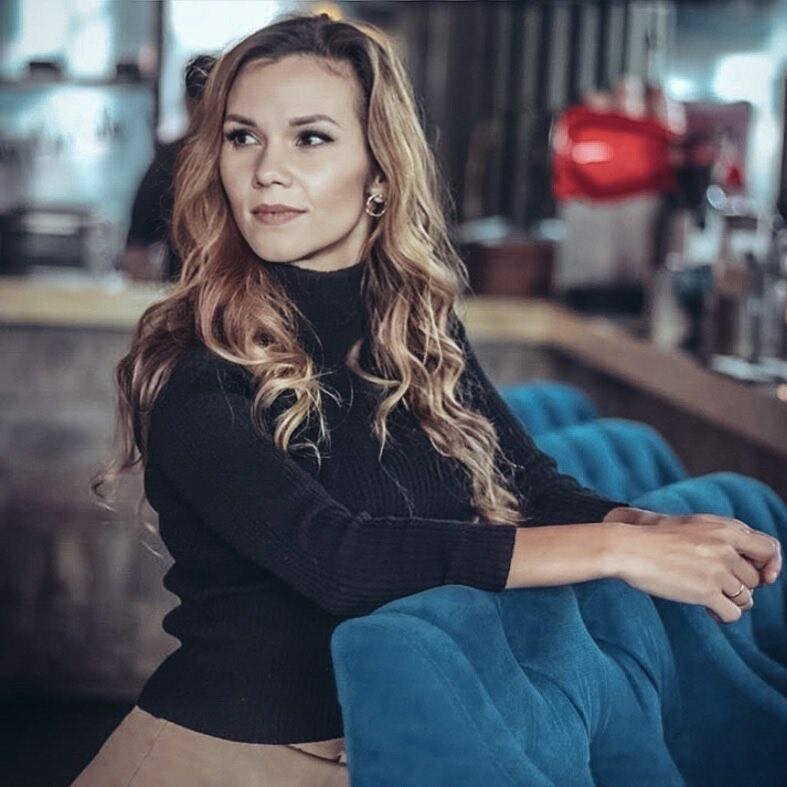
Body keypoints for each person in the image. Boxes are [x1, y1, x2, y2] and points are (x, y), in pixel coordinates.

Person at [76, 12, 782, 786]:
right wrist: (620, 552)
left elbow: (525, 483)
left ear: (379, 171)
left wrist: (647, 526)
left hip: (386, 748)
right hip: (219, 758)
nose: (266, 170)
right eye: (243, 136)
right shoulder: (200, 367)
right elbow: (338, 558)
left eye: (310, 138)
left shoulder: (414, 330)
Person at [120, 54, 215, 283]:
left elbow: (135, 253)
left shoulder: (170, 159)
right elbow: (136, 252)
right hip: (191, 293)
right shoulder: (170, 161)